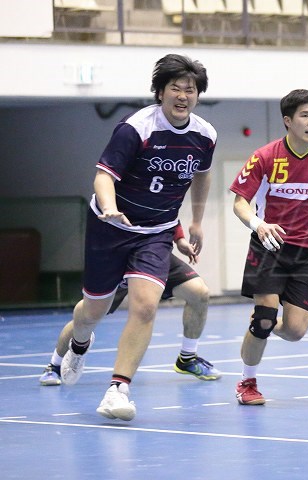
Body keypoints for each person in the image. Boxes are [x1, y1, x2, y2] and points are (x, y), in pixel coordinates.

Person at [44, 54, 216, 421]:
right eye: (175, 88)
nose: (183, 96)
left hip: (155, 234)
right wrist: (109, 207)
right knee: (93, 311)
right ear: (160, 92)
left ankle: (118, 389)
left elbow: (202, 175)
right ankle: (79, 343)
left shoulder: (205, 136)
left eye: (190, 90)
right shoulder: (135, 128)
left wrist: (196, 222)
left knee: (146, 306)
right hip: (110, 229)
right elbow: (104, 176)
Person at [230, 89, 308, 405]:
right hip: (269, 246)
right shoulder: (265, 157)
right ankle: (247, 382)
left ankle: (264, 321)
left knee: (295, 331)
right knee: (264, 318)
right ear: (288, 121)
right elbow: (240, 202)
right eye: (305, 116)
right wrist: (258, 224)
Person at [39, 224, 221, 386]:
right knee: (89, 314)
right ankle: (54, 365)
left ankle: (187, 358)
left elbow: (167, 211)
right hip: (120, 254)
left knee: (198, 292)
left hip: (153, 252)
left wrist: (179, 238)